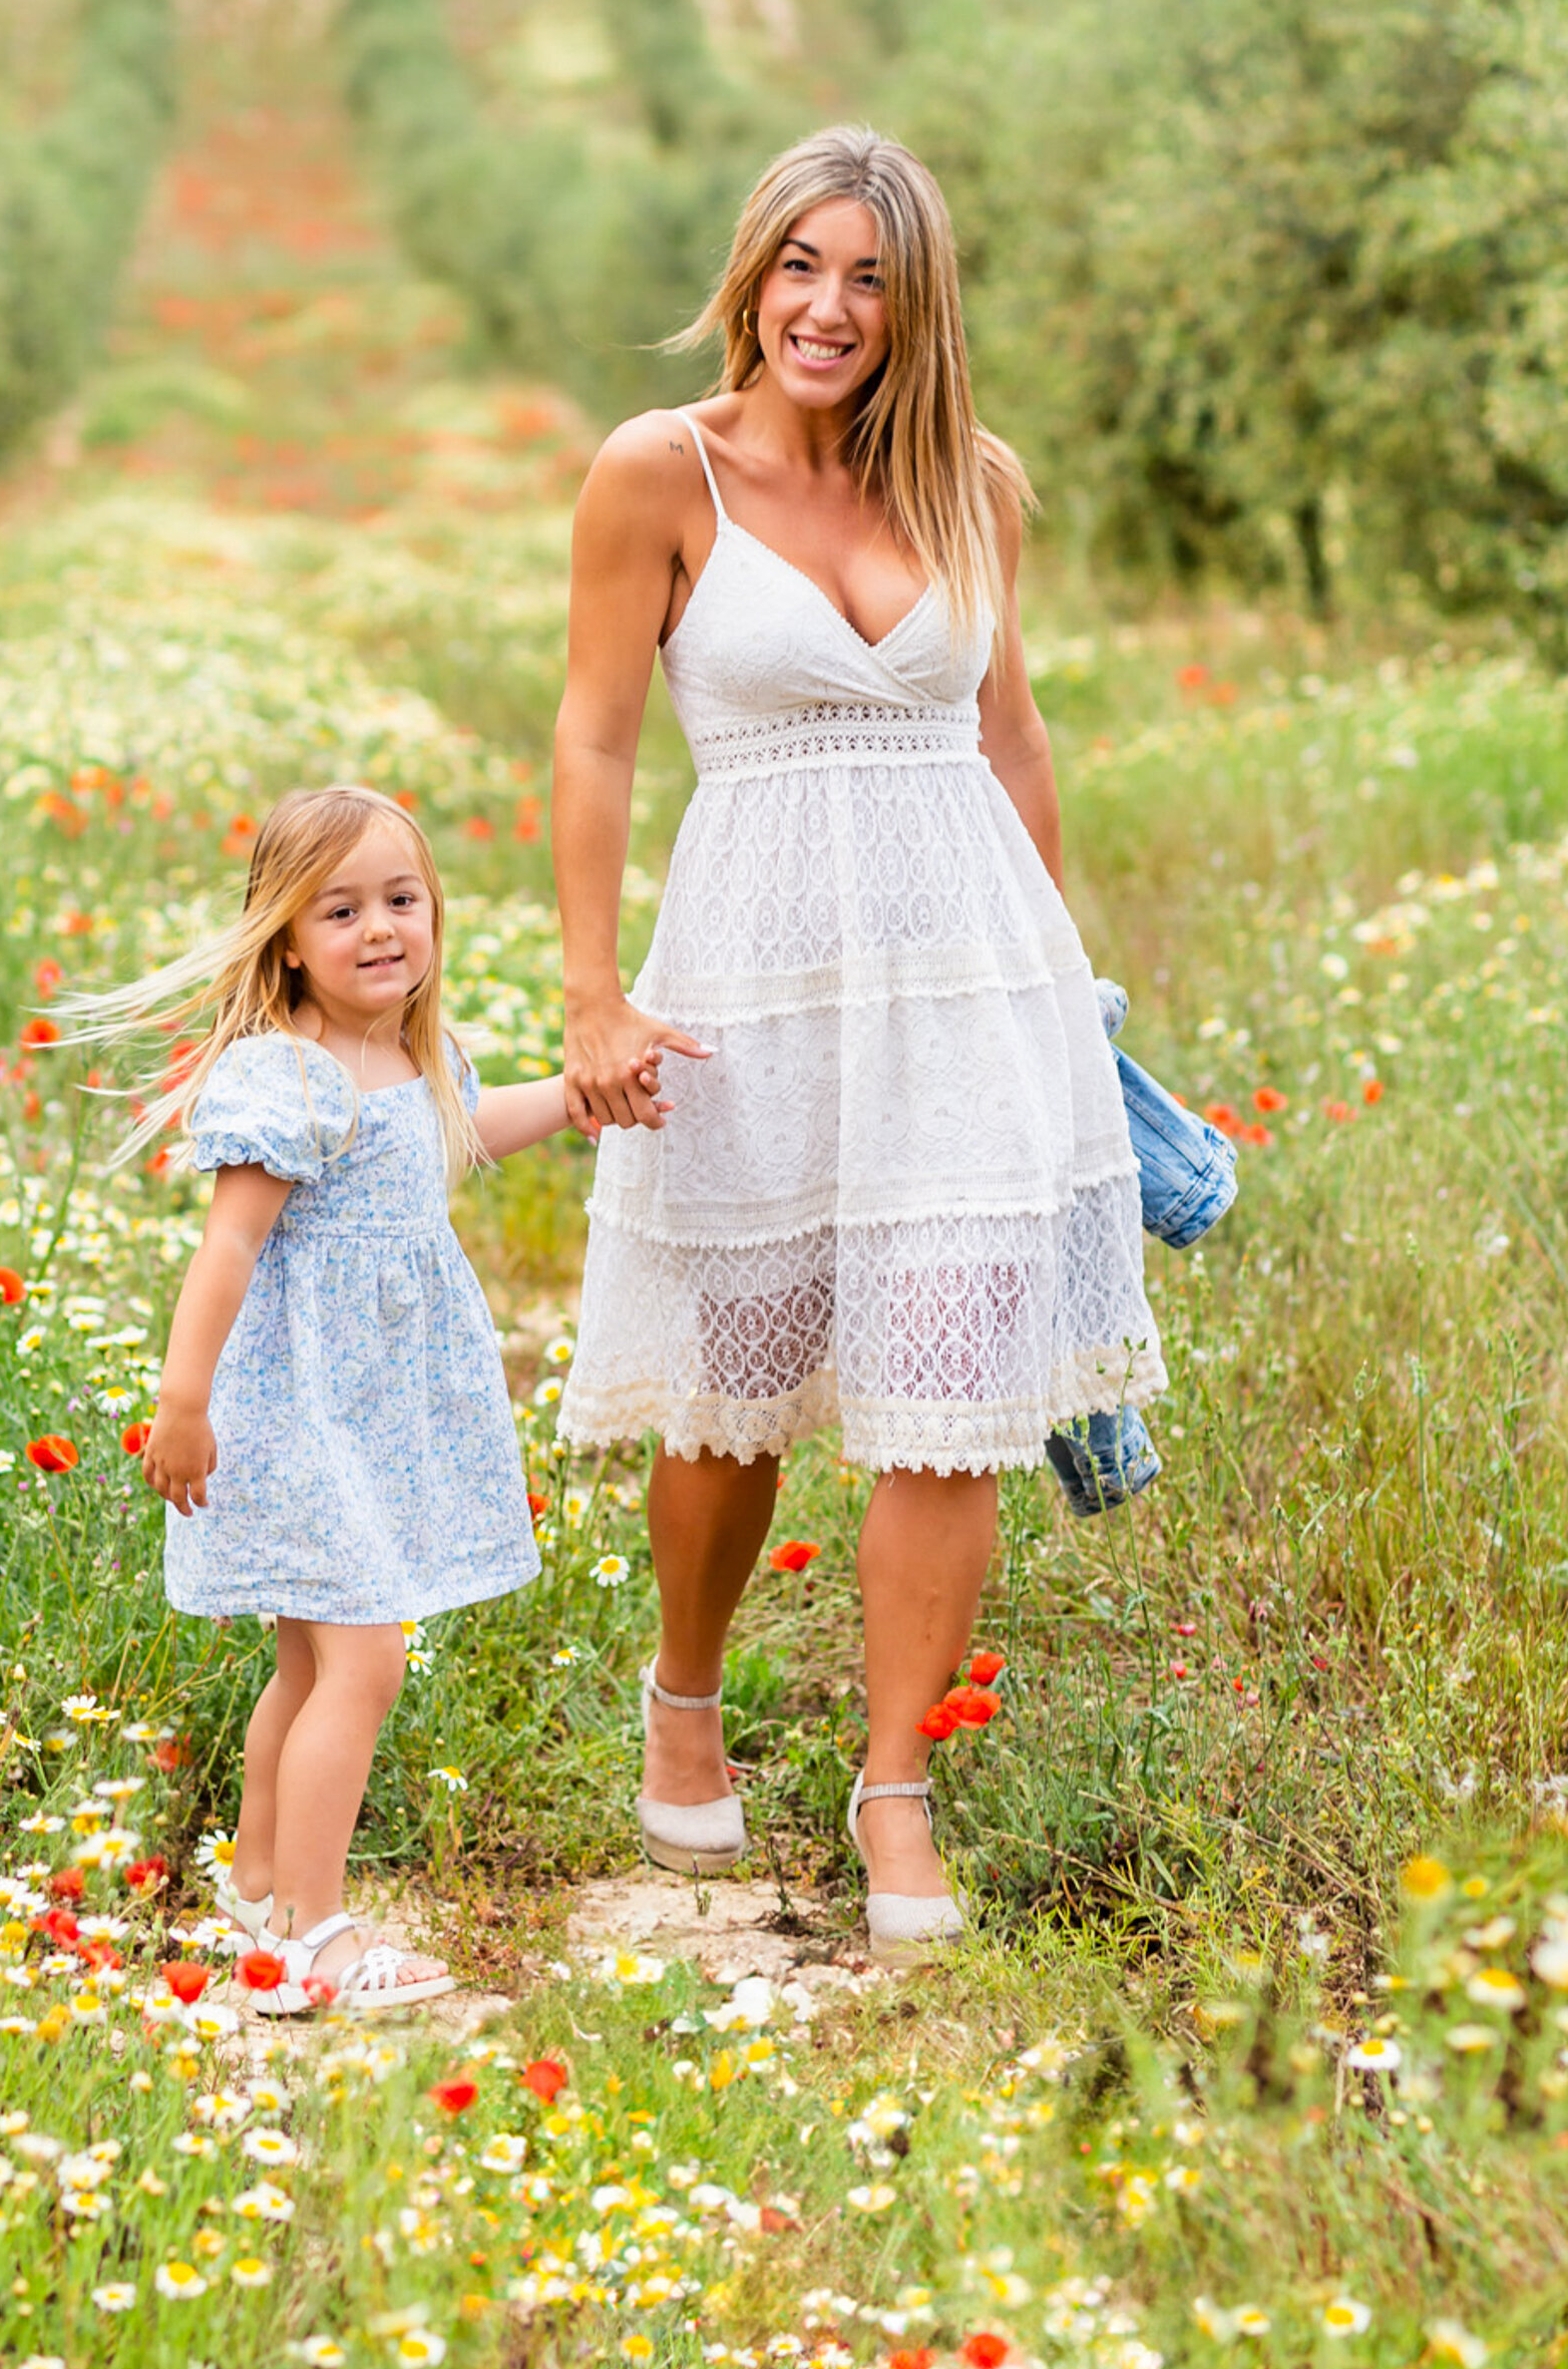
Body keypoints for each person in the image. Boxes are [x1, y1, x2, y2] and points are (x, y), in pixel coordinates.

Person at [553, 126, 1165, 1962]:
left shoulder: (970, 485)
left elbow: (1011, 738)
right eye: (801, 267)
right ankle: (684, 1693)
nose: (828, 308)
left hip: (969, 994)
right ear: (751, 279)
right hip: (750, 985)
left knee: (953, 1390)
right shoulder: (657, 471)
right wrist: (590, 994)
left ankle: (894, 1788)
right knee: (732, 1388)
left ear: (918, 306)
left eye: (871, 279)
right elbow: (593, 738)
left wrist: (1061, 992)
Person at [89, 784, 578, 2015]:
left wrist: (579, 1093)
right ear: (289, 938)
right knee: (362, 1659)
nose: (379, 929)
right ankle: (313, 1936)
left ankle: (262, 1892)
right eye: (341, 909)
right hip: (298, 1414)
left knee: (310, 1664)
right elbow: (229, 1246)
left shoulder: (412, 1056)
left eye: (400, 899)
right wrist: (182, 1400)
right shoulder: (289, 1074)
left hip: (375, 1418)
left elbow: (464, 1128)